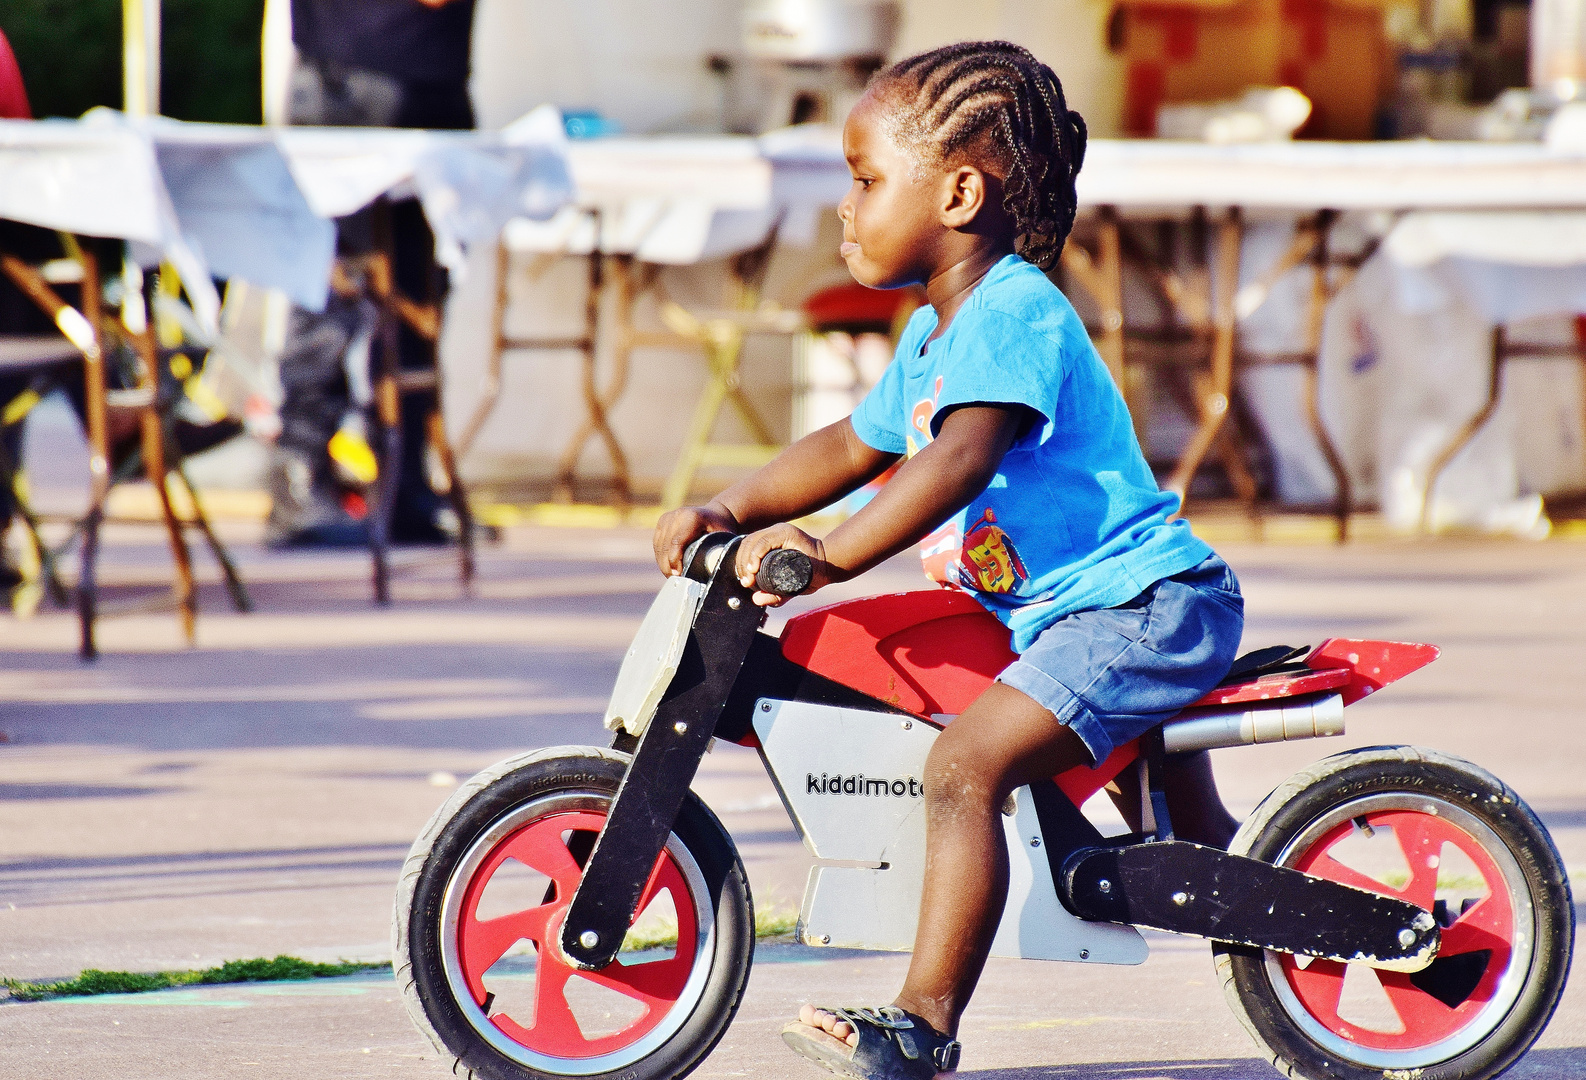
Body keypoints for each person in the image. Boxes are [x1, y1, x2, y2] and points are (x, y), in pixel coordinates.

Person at [652, 41, 1246, 1080]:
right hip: (1060, 614)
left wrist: (827, 557)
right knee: (1203, 861)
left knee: (961, 769)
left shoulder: (1013, 313)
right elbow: (849, 444)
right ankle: (1238, 888)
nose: (844, 206)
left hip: (1136, 608)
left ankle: (921, 1026)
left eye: (865, 180)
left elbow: (960, 458)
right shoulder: (936, 333)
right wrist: (729, 504)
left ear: (959, 192)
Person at [268, 0, 476, 546]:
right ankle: (318, 483)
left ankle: (381, 485)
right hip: (372, 81)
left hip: (377, 74)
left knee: (370, 291)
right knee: (344, 288)